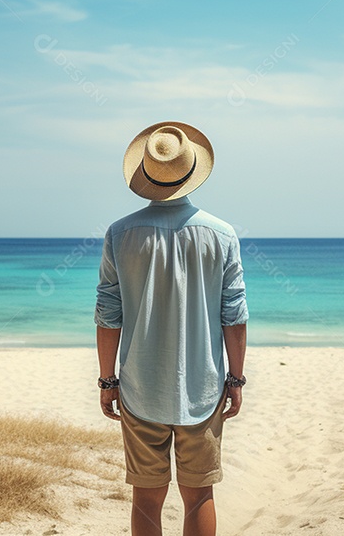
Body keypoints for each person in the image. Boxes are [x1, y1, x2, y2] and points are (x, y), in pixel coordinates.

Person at [95, 121, 248, 536]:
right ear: (191, 170)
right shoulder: (222, 234)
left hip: (141, 388)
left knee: (146, 497)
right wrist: (236, 378)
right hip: (203, 387)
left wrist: (107, 380)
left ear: (146, 174)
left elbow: (108, 315)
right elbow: (233, 315)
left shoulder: (120, 233)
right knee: (199, 495)